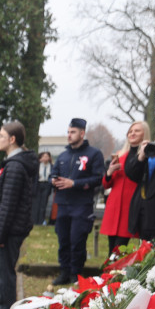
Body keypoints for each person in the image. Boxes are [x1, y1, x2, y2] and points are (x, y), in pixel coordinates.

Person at [0, 121, 37, 309]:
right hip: (11, 228)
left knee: (5, 272)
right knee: (5, 271)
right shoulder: (13, 163)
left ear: (12, 139)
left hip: (10, 230)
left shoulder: (15, 167)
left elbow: (8, 205)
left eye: (1, 135)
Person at [51, 118, 105, 285]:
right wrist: (52, 180)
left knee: (77, 240)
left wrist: (74, 183)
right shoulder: (63, 155)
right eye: (68, 132)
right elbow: (52, 174)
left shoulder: (93, 154)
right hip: (63, 204)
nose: (69, 135)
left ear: (82, 133)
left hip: (81, 205)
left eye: (73, 132)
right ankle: (64, 272)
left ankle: (76, 274)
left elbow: (98, 179)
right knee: (63, 240)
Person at [100, 121, 148, 256]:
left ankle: (113, 274)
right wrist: (109, 172)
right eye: (130, 131)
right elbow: (106, 184)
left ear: (145, 133)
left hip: (131, 205)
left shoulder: (147, 156)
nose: (132, 133)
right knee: (112, 247)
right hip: (115, 205)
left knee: (120, 247)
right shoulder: (121, 156)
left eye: (137, 131)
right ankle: (110, 274)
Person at [33, 151, 53, 226]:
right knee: (36, 203)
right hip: (38, 185)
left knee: (43, 204)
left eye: (47, 156)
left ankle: (41, 221)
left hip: (46, 185)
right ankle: (34, 220)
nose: (45, 158)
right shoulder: (37, 166)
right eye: (44, 156)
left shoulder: (51, 166)